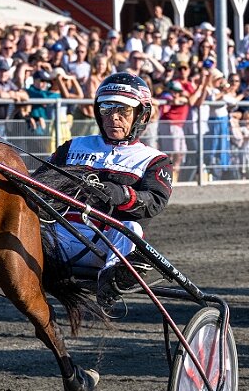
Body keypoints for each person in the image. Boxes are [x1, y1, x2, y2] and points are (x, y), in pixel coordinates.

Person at [47, 72, 173, 313]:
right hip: (57, 238)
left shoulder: (154, 160)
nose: (112, 118)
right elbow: (39, 183)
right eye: (106, 108)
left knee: (132, 230)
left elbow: (154, 201)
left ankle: (112, 281)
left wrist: (122, 194)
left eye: (123, 111)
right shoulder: (72, 146)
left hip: (104, 245)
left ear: (141, 115)